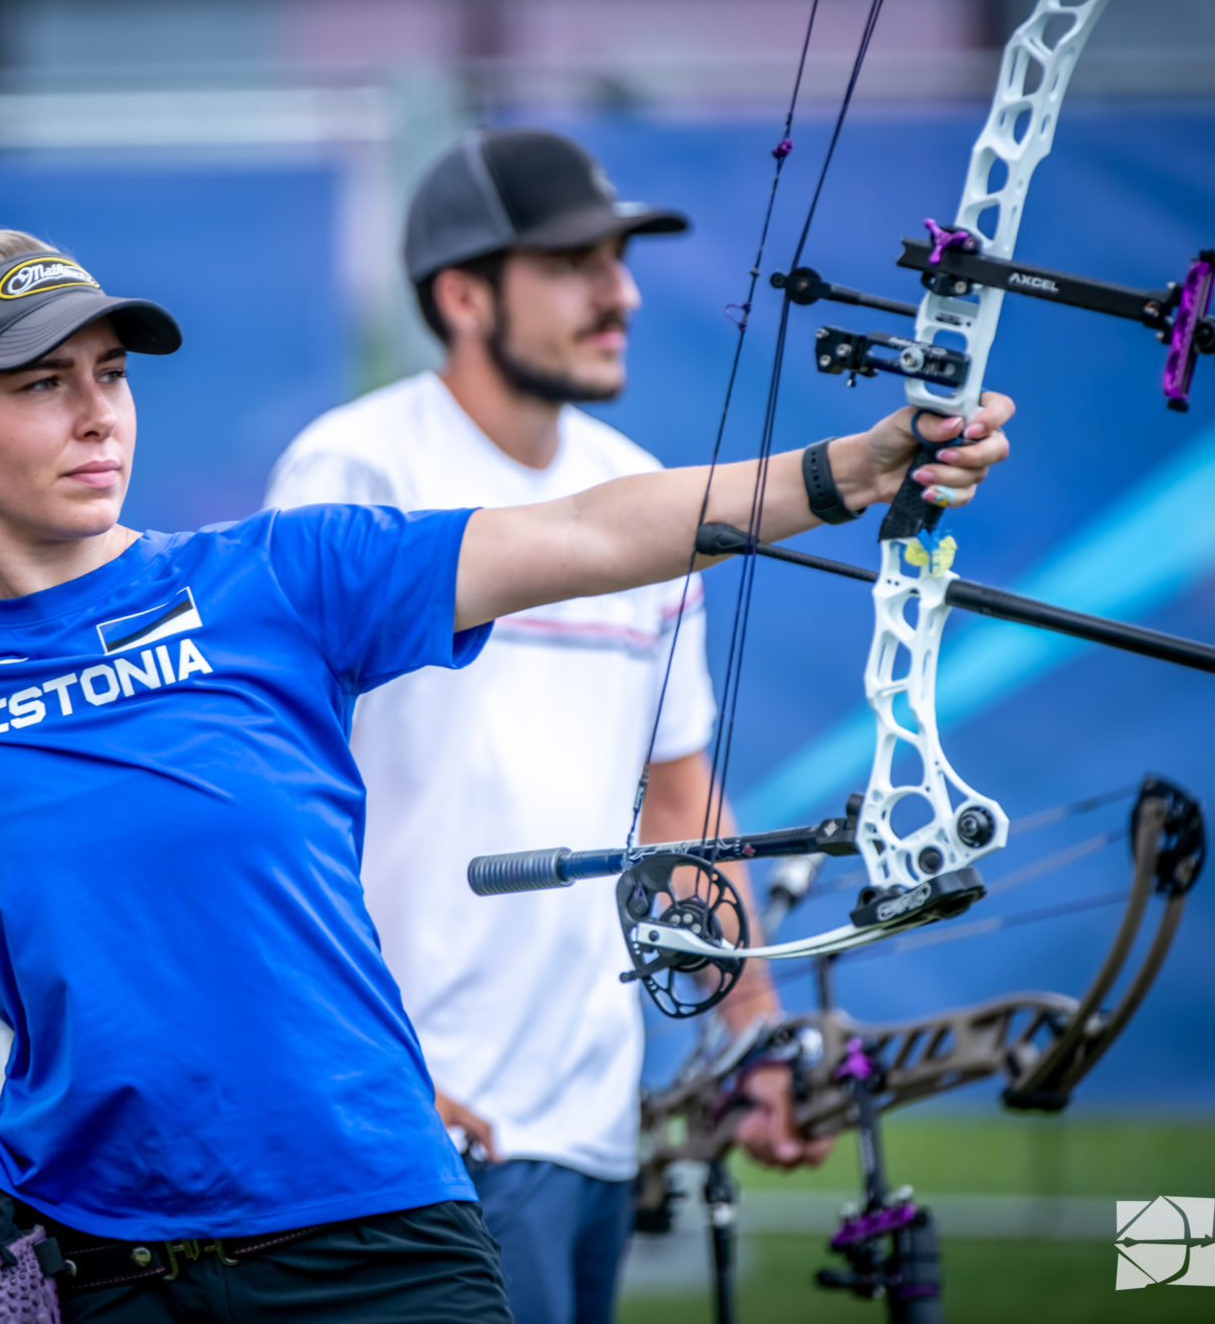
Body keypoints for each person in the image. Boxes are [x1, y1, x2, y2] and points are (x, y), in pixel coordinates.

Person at [0, 228, 1010, 1322]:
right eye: (41, 384)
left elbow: (596, 530)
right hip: (88, 1263)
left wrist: (853, 472)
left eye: (111, 374)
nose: (96, 414)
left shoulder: (275, 578)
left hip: (370, 1242)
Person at [262, 126, 839, 1322]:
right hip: (404, 1116)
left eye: (617, 261)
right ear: (463, 293)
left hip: (588, 1119)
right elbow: (266, 810)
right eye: (574, 262)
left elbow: (679, 801)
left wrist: (751, 1035)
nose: (619, 291)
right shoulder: (354, 471)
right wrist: (367, 1072)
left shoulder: (643, 491)